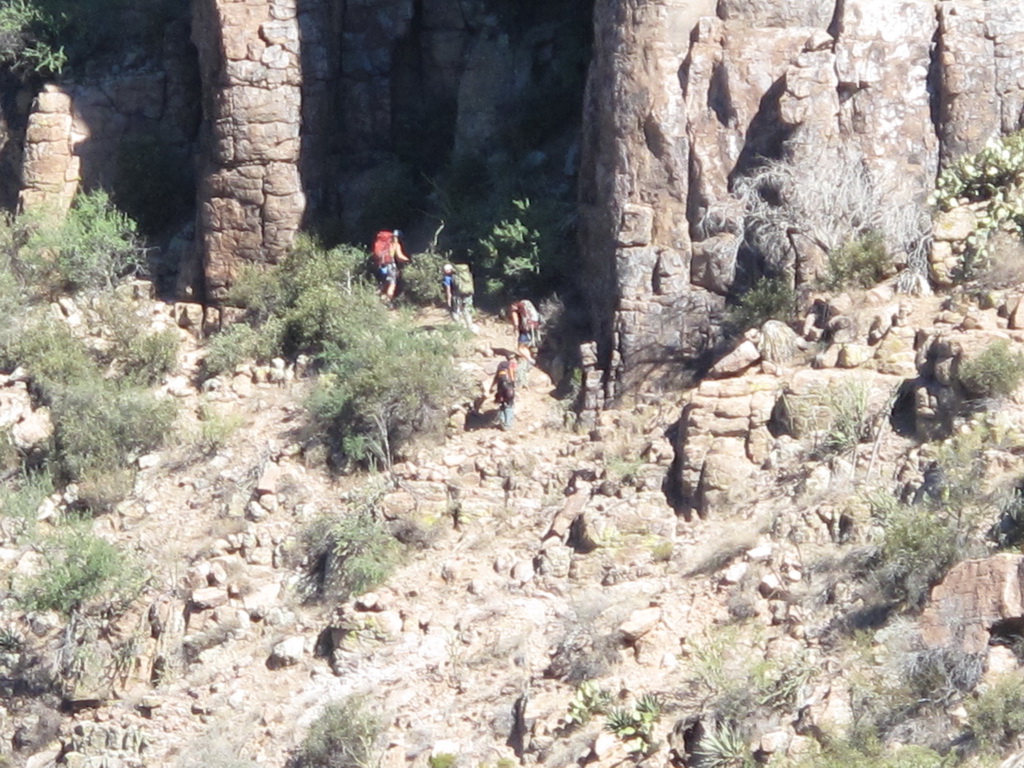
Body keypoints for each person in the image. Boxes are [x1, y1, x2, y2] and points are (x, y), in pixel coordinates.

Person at [372, 229, 410, 306]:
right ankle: (388, 302)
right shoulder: (395, 244)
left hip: (381, 266)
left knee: (384, 284)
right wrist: (409, 260)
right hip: (390, 266)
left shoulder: (385, 245)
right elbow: (400, 257)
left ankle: (375, 300)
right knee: (392, 284)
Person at [508, 298, 539, 382]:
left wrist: (515, 328)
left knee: (520, 348)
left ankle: (530, 360)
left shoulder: (515, 310)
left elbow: (516, 323)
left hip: (525, 330)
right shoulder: (524, 306)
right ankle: (529, 359)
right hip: (531, 328)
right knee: (524, 346)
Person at [443, 263, 477, 331]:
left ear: (447, 270)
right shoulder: (464, 274)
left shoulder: (448, 278)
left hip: (457, 295)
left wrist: (449, 300)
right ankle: (470, 327)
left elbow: (448, 290)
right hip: (467, 294)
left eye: (444, 270)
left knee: (455, 311)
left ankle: (459, 327)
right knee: (466, 310)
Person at [490, 354, 518, 431]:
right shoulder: (510, 365)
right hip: (508, 389)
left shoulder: (500, 369)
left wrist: (491, 387)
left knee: (503, 405)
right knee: (509, 405)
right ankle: (508, 424)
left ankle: (502, 423)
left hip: (501, 390)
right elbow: (512, 374)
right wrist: (513, 383)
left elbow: (495, 379)